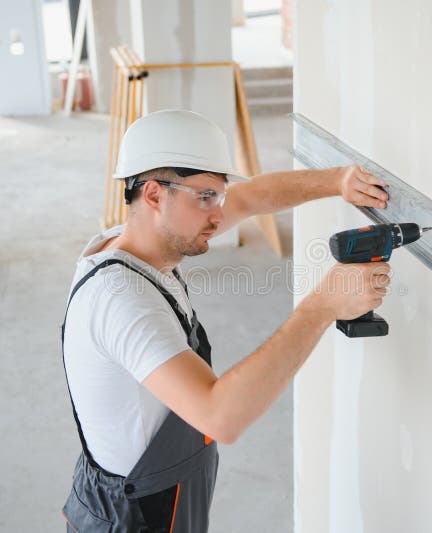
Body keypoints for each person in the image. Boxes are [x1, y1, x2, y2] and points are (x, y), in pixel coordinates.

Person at [61, 109, 390, 532]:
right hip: (134, 517)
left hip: (157, 494)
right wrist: (323, 305)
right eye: (204, 198)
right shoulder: (121, 301)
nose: (219, 216)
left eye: (217, 196)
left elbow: (252, 197)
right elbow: (220, 417)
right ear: (155, 195)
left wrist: (338, 181)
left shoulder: (137, 242)